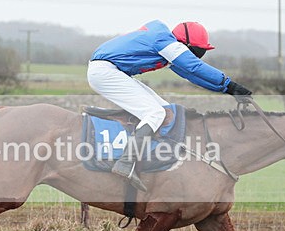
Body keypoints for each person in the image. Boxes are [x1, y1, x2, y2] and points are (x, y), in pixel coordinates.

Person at [87, 20, 252, 191]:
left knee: (166, 111)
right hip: (105, 72)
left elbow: (191, 75)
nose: (196, 56)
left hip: (112, 71)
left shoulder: (166, 44)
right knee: (155, 114)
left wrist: (228, 89)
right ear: (185, 44)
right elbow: (195, 67)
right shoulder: (166, 42)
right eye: (196, 51)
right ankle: (125, 162)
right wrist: (230, 84)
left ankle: (153, 160)